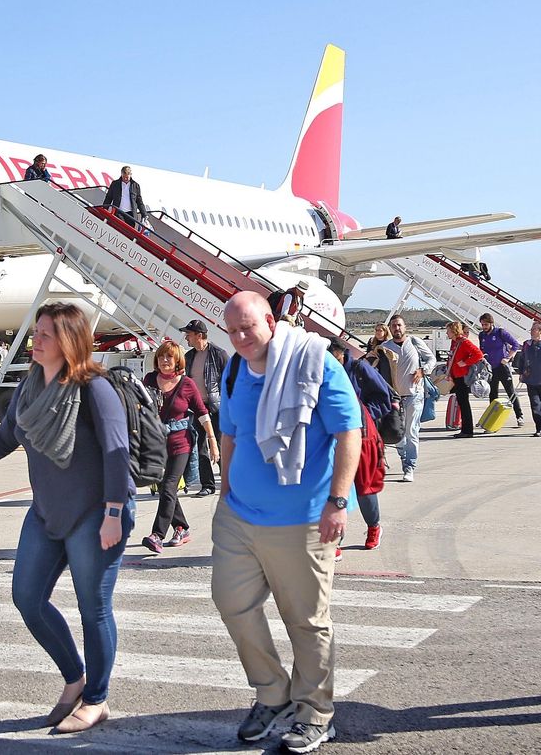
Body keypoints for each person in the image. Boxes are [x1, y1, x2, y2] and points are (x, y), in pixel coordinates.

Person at [0, 302, 133, 734]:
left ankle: (96, 699)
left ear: (69, 341)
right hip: (47, 512)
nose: (35, 341)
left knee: (93, 610)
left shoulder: (94, 389)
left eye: (45, 335)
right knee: (27, 598)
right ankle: (75, 677)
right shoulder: (31, 386)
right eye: (36, 333)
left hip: (96, 513)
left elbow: (117, 454)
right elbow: (4, 438)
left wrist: (113, 513)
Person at [213, 291, 361, 753]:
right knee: (231, 603)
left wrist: (338, 502)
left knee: (306, 621)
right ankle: (272, 692)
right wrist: (224, 492)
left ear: (271, 323)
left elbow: (348, 431)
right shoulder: (235, 369)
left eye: (249, 327)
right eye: (233, 330)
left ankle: (316, 714)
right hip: (240, 515)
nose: (240, 337)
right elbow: (230, 433)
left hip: (302, 517)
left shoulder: (313, 363)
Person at [142, 340, 214, 553]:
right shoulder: (149, 380)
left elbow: (202, 412)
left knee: (169, 486)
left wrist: (212, 440)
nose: (165, 360)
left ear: (177, 361)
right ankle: (181, 527)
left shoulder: (187, 384)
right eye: (162, 356)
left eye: (169, 357)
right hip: (156, 443)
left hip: (181, 442)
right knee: (166, 488)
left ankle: (157, 535)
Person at [329, 338, 393, 555]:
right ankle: (335, 540)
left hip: (363, 435)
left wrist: (363, 414)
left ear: (341, 353)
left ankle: (374, 527)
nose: (331, 362)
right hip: (333, 437)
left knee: (365, 487)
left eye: (334, 358)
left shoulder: (359, 368)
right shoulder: (322, 371)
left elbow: (384, 397)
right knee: (336, 488)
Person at [382, 315, 434, 481]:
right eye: (394, 326)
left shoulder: (415, 342)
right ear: (390, 329)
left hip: (414, 394)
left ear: (405, 327)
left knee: (411, 431)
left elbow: (431, 359)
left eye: (399, 325)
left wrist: (423, 370)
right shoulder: (385, 347)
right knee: (397, 433)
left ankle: (409, 465)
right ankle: (404, 457)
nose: (397, 328)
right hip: (395, 397)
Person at [183, 319, 230, 498]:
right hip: (197, 408)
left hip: (217, 408)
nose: (186, 337)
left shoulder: (219, 354)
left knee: (219, 444)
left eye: (189, 334)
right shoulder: (189, 357)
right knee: (200, 446)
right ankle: (208, 484)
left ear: (199, 336)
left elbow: (231, 381)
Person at [477, 313, 525, 429]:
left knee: (510, 391)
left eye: (486, 324)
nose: (484, 327)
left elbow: (515, 344)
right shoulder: (481, 335)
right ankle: (491, 419)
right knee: (492, 394)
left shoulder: (500, 332)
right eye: (482, 324)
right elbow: (481, 350)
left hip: (502, 367)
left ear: (491, 323)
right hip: (490, 369)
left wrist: (508, 357)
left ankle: (519, 415)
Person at [445, 321, 484, 438]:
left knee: (464, 403)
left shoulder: (464, 342)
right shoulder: (455, 342)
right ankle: (465, 429)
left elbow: (478, 354)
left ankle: (467, 430)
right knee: (462, 403)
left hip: (463, 376)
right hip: (456, 375)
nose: (447, 333)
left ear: (453, 331)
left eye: (448, 331)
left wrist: (465, 362)